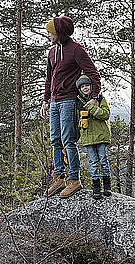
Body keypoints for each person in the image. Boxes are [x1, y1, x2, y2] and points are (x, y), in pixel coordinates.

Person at [40, 16, 101, 199]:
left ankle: (74, 179)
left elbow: (93, 73)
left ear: (60, 32)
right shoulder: (51, 52)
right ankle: (59, 177)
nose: (48, 34)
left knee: (68, 140)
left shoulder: (76, 50)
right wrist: (45, 100)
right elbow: (49, 78)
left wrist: (95, 97)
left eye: (51, 31)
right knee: (55, 140)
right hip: (55, 102)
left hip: (68, 100)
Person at [75, 75, 112, 199]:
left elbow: (105, 114)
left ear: (91, 86)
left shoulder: (100, 98)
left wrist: (91, 107)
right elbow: (76, 120)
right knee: (93, 163)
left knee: (103, 161)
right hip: (87, 137)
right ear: (79, 89)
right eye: (82, 86)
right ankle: (96, 188)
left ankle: (107, 187)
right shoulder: (78, 102)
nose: (85, 88)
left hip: (101, 135)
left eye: (87, 85)